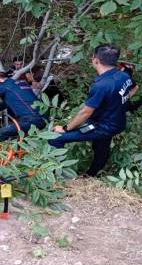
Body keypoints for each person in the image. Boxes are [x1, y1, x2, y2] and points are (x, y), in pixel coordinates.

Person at [48, 45, 137, 176]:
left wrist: (66, 128)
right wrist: (118, 100)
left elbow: (85, 112)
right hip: (117, 123)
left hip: (103, 126)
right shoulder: (123, 75)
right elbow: (135, 88)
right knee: (101, 146)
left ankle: (57, 176)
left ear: (95, 60)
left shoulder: (102, 86)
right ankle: (92, 174)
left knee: (56, 139)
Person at [0, 72, 46, 141]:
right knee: (18, 137)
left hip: (32, 120)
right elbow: (7, 103)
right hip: (43, 117)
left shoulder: (5, 85)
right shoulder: (21, 83)